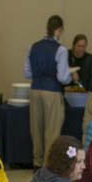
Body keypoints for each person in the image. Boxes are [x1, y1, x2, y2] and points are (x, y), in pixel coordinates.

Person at [24, 14, 73, 168]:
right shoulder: (61, 50)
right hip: (52, 91)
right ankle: (48, 165)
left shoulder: (33, 46)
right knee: (51, 131)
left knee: (36, 129)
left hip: (35, 90)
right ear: (59, 30)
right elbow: (63, 77)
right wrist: (71, 76)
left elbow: (27, 73)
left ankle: (37, 163)